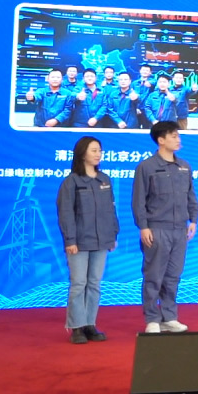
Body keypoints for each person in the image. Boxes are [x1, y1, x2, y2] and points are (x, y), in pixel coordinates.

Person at [132, 120, 198, 334]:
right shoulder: (147, 167)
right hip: (156, 229)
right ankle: (152, 318)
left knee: (173, 276)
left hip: (180, 230)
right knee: (153, 275)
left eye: (178, 136)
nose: (178, 140)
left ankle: (169, 317)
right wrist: (143, 227)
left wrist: (193, 220)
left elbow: (190, 195)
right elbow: (138, 201)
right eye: (173, 136)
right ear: (161, 140)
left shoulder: (184, 166)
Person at [56, 136, 118, 344]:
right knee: (78, 283)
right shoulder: (71, 182)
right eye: (94, 150)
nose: (98, 154)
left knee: (94, 283)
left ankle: (90, 324)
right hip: (79, 242)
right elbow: (66, 213)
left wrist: (113, 234)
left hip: (102, 240)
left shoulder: (104, 180)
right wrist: (70, 240)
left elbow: (111, 210)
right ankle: (76, 326)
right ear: (82, 154)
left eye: (99, 150)